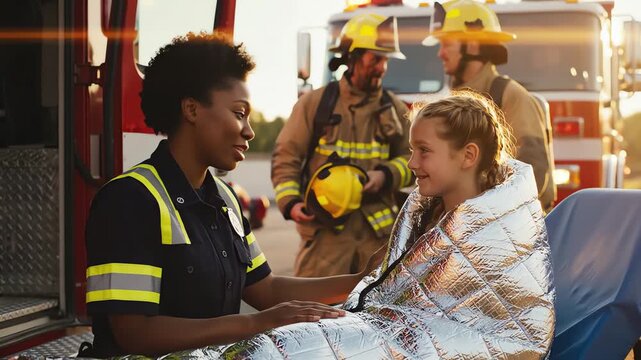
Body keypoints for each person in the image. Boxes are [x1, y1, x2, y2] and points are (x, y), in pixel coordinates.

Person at [168, 91, 554, 359]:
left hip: (454, 341)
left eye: (424, 152)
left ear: (468, 155)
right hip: (364, 295)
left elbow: (504, 330)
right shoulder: (428, 214)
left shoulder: (497, 231)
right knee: (282, 340)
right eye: (411, 151)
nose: (412, 163)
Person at [83, 33, 384, 358]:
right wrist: (255, 324)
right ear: (191, 109)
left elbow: (267, 289)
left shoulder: (225, 197)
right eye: (239, 113)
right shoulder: (130, 200)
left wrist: (363, 278)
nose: (249, 131)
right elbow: (134, 334)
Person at [271, 14, 412, 278]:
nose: (382, 68)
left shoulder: (394, 108)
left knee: (376, 314)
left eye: (386, 60)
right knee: (313, 311)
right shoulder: (315, 104)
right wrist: (290, 202)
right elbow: (286, 156)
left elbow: (413, 158)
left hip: (377, 238)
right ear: (352, 57)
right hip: (325, 236)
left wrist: (386, 175)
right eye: (375, 59)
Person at [423, 0, 556, 210]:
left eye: (447, 44)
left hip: (509, 227)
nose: (440, 53)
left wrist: (488, 212)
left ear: (473, 45)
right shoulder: (453, 103)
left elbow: (533, 170)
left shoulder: (510, 96)